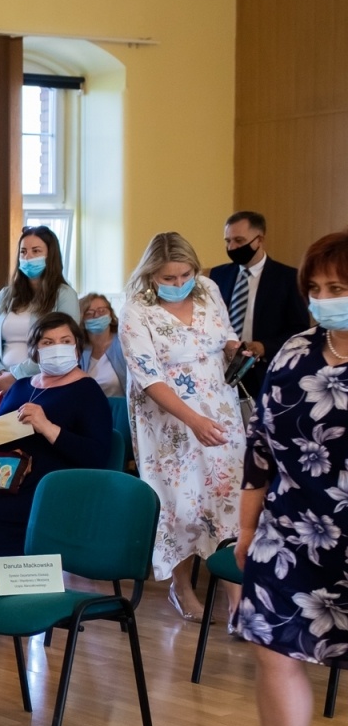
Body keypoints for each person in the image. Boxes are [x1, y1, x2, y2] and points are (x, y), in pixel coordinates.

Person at [233, 230, 348, 726]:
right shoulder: (293, 353)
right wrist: (246, 529)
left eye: (339, 289)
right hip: (292, 530)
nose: (325, 300)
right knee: (275, 653)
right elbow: (260, 449)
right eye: (318, 290)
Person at [0, 313, 113, 657]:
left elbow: (98, 455)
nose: (57, 349)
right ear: (35, 350)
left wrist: (47, 427)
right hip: (3, 479)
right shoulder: (24, 386)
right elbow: (2, 437)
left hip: (51, 491)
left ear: (77, 345)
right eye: (47, 342)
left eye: (65, 341)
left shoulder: (87, 392)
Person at [119, 232, 245, 621]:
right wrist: (192, 420)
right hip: (168, 418)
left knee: (228, 497)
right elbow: (148, 377)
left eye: (184, 275)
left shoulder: (207, 289)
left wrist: (236, 351)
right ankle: (181, 585)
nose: (178, 284)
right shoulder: (136, 310)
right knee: (182, 502)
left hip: (220, 405)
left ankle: (236, 595)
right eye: (167, 278)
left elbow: (225, 335)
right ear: (151, 274)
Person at [208, 210, 310, 399]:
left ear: (259, 239)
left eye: (239, 240)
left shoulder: (288, 279)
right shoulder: (217, 276)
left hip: (266, 373)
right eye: (227, 241)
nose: (232, 247)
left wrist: (264, 346)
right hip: (221, 372)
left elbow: (299, 330)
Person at [0, 226, 81, 412]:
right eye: (23, 251)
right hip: (3, 386)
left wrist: (16, 376)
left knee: (35, 438)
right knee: (5, 439)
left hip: (43, 386)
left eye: (36, 251)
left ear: (50, 256)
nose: (28, 257)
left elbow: (62, 346)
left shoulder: (64, 295)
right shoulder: (5, 295)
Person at [78, 293, 128, 399]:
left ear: (110, 313)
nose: (97, 316)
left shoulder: (124, 343)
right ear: (82, 319)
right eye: (89, 313)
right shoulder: (79, 350)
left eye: (102, 311)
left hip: (121, 410)